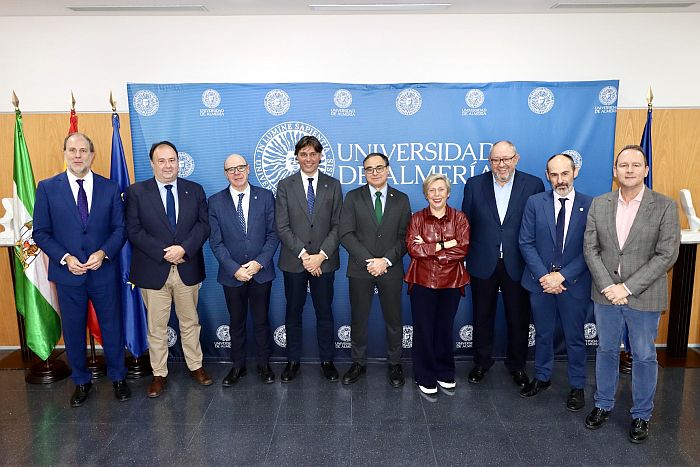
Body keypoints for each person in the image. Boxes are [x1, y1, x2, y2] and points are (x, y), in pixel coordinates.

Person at [583, 144, 680, 443]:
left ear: (646, 170)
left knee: (644, 355)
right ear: (615, 171)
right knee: (606, 351)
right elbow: (591, 248)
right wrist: (609, 287)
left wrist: (626, 288)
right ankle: (603, 404)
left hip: (644, 295)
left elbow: (666, 254)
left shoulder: (664, 206)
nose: (629, 170)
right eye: (623, 165)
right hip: (606, 294)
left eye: (636, 165)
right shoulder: (600, 204)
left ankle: (641, 414)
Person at [33, 132, 130, 406]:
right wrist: (64, 258)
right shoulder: (47, 188)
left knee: (112, 327)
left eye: (83, 150)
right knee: (74, 330)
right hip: (68, 274)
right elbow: (41, 232)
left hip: (103, 272)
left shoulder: (110, 188)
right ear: (64, 153)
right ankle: (81, 381)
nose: (78, 155)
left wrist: (103, 253)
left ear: (92, 154)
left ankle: (118, 378)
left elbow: (120, 229)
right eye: (73, 150)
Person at [125, 140, 213, 398]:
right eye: (161, 161)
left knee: (190, 322)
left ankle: (196, 366)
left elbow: (203, 226)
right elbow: (133, 230)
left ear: (178, 162)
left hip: (187, 267)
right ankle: (159, 373)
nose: (167, 165)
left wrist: (183, 249)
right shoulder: (136, 192)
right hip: (153, 269)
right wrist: (166, 252)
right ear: (152, 164)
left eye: (172, 160)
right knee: (157, 327)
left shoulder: (194, 190)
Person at [461, 140, 545, 386]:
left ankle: (517, 366)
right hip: (482, 262)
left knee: (518, 318)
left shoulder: (534, 184)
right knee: (481, 316)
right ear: (490, 161)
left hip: (519, 262)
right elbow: (467, 225)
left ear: (516, 159)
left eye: (506, 159)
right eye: (496, 160)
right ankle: (481, 363)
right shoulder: (474, 184)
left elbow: (539, 226)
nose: (501, 164)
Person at [518, 153, 592, 411]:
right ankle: (542, 376)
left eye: (565, 173)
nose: (560, 180)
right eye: (554, 174)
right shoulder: (534, 203)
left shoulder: (590, 205)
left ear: (575, 173)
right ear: (547, 176)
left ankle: (577, 385)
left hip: (574, 283)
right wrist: (545, 277)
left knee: (575, 337)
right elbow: (526, 242)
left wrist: (562, 276)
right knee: (543, 333)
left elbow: (591, 248)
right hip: (540, 283)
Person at [339, 153, 411, 387]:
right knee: (359, 319)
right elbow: (346, 234)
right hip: (361, 269)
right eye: (369, 169)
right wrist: (369, 261)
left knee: (394, 319)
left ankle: (395, 363)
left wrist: (385, 261)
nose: (375, 172)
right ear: (364, 172)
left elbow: (405, 237)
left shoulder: (401, 199)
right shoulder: (353, 197)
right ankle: (357, 363)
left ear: (388, 169)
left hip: (391, 269)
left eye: (379, 167)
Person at [275, 135, 343, 382]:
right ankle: (293, 360)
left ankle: (327, 360)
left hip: (324, 262)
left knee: (324, 312)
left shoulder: (333, 185)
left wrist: (320, 256)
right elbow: (282, 226)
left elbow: (338, 225)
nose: (308, 158)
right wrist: (305, 256)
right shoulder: (285, 185)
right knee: (293, 312)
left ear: (320, 156)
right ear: (297, 157)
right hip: (295, 261)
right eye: (303, 154)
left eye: (313, 154)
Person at [208, 154, 279, 385]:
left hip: (261, 272)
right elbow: (215, 242)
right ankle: (237, 366)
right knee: (236, 322)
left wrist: (259, 263)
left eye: (240, 168)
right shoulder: (215, 202)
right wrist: (234, 269)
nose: (236, 173)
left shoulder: (266, 196)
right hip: (232, 275)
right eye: (231, 169)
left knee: (261, 321)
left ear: (248, 169)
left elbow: (273, 234)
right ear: (225, 173)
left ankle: (264, 364)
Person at [405, 174, 469, 398]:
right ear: (426, 194)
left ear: (448, 193)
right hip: (422, 281)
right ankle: (424, 375)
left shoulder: (459, 218)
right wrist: (444, 245)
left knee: (444, 328)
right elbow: (414, 249)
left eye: (441, 189)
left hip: (452, 282)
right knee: (424, 329)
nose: (437, 194)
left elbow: (463, 248)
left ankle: (444, 372)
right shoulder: (417, 219)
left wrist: (430, 248)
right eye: (432, 190)